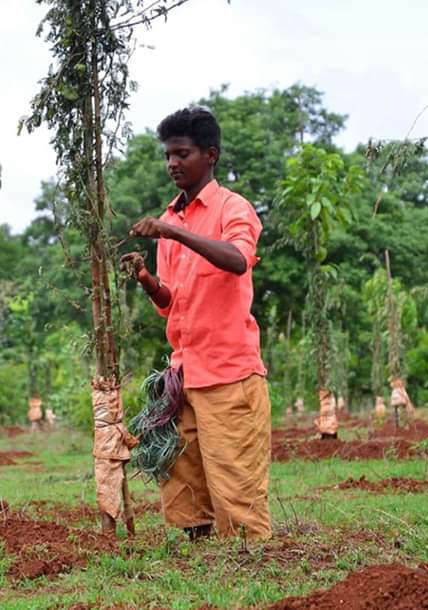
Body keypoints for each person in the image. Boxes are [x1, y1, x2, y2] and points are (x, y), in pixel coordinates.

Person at [120, 107, 272, 541]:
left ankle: (248, 561)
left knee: (235, 476)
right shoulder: (170, 220)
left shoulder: (232, 209)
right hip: (184, 373)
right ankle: (200, 557)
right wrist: (147, 280)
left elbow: (238, 260)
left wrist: (175, 235)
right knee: (184, 473)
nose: (172, 163)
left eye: (182, 154)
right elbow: (172, 305)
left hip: (228, 372)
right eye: (167, 155)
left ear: (210, 155)